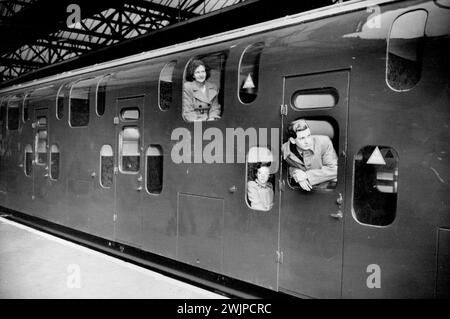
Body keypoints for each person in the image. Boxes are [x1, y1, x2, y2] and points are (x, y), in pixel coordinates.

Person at [282, 119, 338, 191]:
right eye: (302, 138)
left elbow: (335, 170)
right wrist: (296, 173)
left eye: (308, 136)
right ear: (292, 140)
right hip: (301, 191)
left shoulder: (324, 142)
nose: (307, 141)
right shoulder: (286, 150)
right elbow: (289, 167)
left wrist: (306, 176)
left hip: (326, 190)